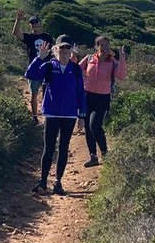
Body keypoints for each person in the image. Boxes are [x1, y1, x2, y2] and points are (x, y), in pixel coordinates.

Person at [24, 34, 85, 195]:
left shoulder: (76, 69)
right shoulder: (49, 65)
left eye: (67, 47)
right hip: (51, 113)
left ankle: (58, 182)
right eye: (61, 47)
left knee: (63, 148)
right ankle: (43, 181)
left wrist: (82, 116)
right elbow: (30, 75)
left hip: (70, 114)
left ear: (71, 50)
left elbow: (80, 93)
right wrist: (39, 58)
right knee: (49, 148)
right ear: (55, 49)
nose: (64, 50)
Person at [78, 35, 126, 167]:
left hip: (103, 98)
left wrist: (122, 60)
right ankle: (93, 156)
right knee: (88, 128)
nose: (104, 47)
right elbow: (76, 70)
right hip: (87, 96)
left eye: (106, 45)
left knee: (95, 126)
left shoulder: (113, 62)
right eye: (101, 45)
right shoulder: (89, 59)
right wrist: (72, 56)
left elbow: (121, 76)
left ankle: (105, 152)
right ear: (96, 46)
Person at [11, 9, 51, 120]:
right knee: (34, 94)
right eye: (32, 23)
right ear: (30, 26)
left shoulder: (48, 37)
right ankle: (34, 116)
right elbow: (15, 33)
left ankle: (47, 114)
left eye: (36, 22)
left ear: (40, 23)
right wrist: (18, 20)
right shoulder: (29, 38)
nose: (35, 25)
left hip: (46, 68)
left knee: (47, 93)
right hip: (34, 70)